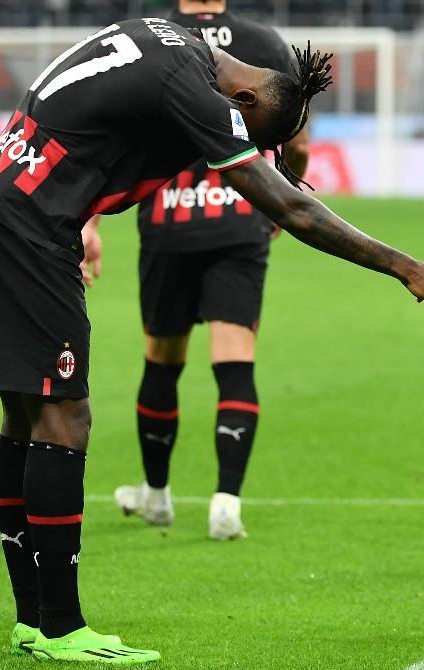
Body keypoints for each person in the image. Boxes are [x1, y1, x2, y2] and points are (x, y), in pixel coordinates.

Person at [0, 18, 424, 663]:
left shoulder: (167, 39)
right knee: (63, 416)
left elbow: (111, 119)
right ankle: (60, 626)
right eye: (247, 136)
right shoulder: (192, 84)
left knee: (25, 416)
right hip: (26, 226)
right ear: (243, 104)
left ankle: (32, 620)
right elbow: (292, 211)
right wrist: (405, 267)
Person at [108, 0, 311, 542]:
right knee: (235, 360)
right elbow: (298, 140)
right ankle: (227, 503)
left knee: (162, 360)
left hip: (168, 215)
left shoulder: (151, 32)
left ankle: (156, 496)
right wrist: (283, 203)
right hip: (239, 214)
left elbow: (117, 125)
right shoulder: (262, 42)